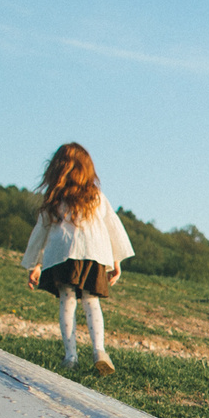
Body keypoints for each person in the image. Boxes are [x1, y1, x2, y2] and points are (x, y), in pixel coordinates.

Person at [22, 142, 134, 375]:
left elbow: (40, 232)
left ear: (57, 169)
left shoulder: (54, 200)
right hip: (93, 254)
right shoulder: (97, 197)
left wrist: (35, 263)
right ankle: (99, 351)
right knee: (92, 301)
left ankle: (71, 356)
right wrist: (116, 260)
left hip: (63, 255)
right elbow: (113, 226)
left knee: (68, 300)